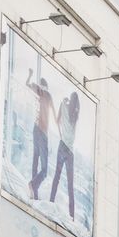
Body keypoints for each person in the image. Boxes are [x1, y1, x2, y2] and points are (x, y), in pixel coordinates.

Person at [48, 90, 80, 219]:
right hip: (70, 152)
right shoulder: (76, 114)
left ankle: (51, 202)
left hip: (62, 146)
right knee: (70, 185)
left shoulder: (64, 105)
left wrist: (64, 100)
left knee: (57, 176)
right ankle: (72, 216)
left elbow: (57, 120)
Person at [26, 69, 56, 198]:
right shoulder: (48, 95)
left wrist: (30, 75)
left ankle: (34, 193)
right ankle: (33, 185)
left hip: (35, 129)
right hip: (42, 132)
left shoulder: (38, 91)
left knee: (35, 160)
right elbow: (55, 116)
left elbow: (27, 84)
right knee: (44, 170)